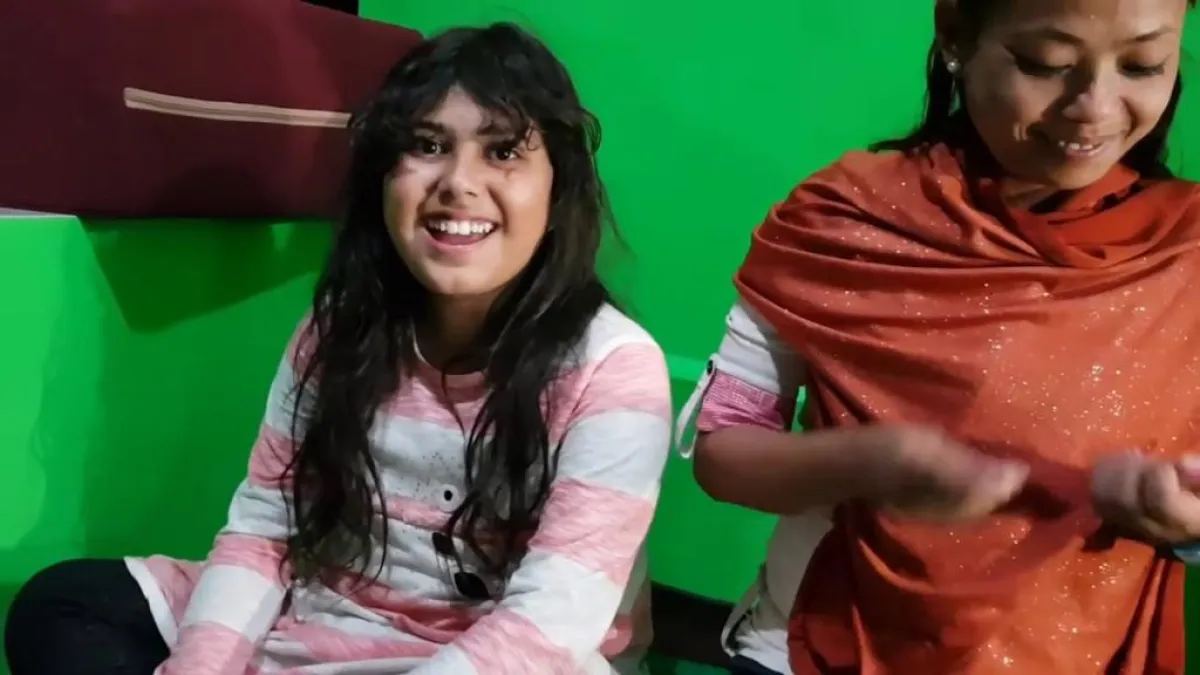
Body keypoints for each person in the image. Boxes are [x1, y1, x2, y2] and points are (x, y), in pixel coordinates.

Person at [5, 23, 671, 675]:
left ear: (557, 188)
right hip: (323, 617)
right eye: (428, 145)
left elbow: (551, 621)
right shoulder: (341, 330)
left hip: (500, 654)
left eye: (501, 152)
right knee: (65, 606)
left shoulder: (613, 368)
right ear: (383, 178)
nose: (458, 183)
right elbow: (267, 527)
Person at [679, 0, 1200, 672]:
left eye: (1143, 65)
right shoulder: (844, 221)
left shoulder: (1186, 251)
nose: (1094, 108)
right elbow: (723, 451)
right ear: (955, 36)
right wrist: (866, 462)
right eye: (1046, 63)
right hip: (813, 650)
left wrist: (1187, 526)